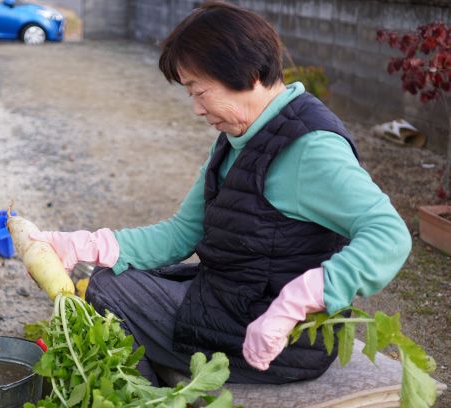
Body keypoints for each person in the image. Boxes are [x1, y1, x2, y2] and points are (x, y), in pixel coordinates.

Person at [30, 1, 412, 385]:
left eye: (199, 91)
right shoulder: (240, 135)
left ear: (247, 73)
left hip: (283, 339)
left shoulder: (309, 147)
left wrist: (296, 302)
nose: (196, 109)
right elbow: (182, 233)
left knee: (105, 292)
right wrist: (84, 245)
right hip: (233, 299)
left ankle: (144, 393)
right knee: (107, 273)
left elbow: (389, 235)